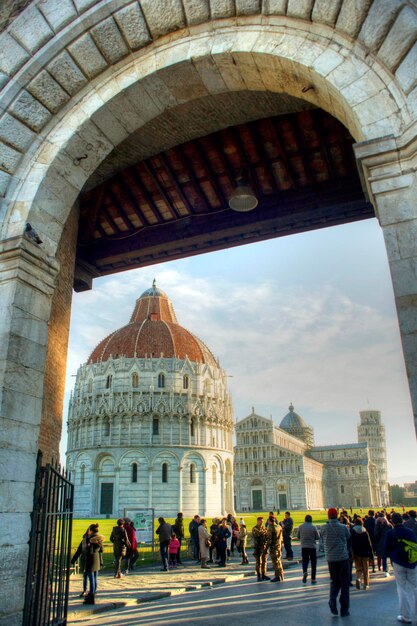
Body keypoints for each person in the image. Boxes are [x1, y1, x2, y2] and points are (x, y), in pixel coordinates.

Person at [384, 512, 417, 624]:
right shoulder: (410, 532)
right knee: (415, 587)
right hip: (411, 562)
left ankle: (406, 616)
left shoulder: (390, 534)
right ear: (402, 520)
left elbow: (386, 550)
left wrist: (393, 556)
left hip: (398, 563)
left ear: (392, 521)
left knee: (401, 588)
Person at [320, 507, 351, 617]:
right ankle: (344, 609)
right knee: (345, 583)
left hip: (331, 559)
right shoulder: (343, 527)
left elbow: (321, 537)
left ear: (328, 516)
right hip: (342, 558)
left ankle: (332, 599)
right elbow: (348, 537)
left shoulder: (324, 528)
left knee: (334, 581)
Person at [72, 523, 104, 605]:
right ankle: (93, 592)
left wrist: (73, 560)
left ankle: (91, 595)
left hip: (89, 560)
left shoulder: (87, 540)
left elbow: (80, 550)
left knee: (91, 578)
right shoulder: (99, 539)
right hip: (96, 559)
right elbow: (101, 550)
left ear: (90, 531)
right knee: (95, 577)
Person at [350, 516, 374, 590]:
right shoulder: (365, 531)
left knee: (358, 568)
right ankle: (366, 584)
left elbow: (351, 543)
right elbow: (369, 544)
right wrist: (371, 555)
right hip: (365, 553)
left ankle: (358, 578)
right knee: (365, 570)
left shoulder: (352, 531)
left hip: (357, 553)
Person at [297, 514, 319, 584]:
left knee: (305, 561)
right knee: (313, 563)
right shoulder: (313, 527)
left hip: (304, 546)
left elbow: (298, 536)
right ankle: (313, 578)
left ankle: (305, 571)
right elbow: (317, 537)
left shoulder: (300, 527)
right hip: (312, 546)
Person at [266, 515, 284, 582]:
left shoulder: (271, 528)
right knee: (279, 561)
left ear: (269, 521)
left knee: (275, 562)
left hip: (274, 547)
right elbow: (281, 538)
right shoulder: (279, 526)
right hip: (279, 546)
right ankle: (281, 574)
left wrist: (266, 548)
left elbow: (269, 539)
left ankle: (277, 576)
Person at [252, 516, 269, 581]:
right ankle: (258, 575)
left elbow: (267, 536)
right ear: (257, 521)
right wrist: (264, 533)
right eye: (260, 521)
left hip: (264, 547)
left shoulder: (264, 528)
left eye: (262, 521)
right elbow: (257, 535)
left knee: (264, 561)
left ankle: (263, 574)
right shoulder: (255, 528)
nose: (261, 522)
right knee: (259, 562)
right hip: (258, 547)